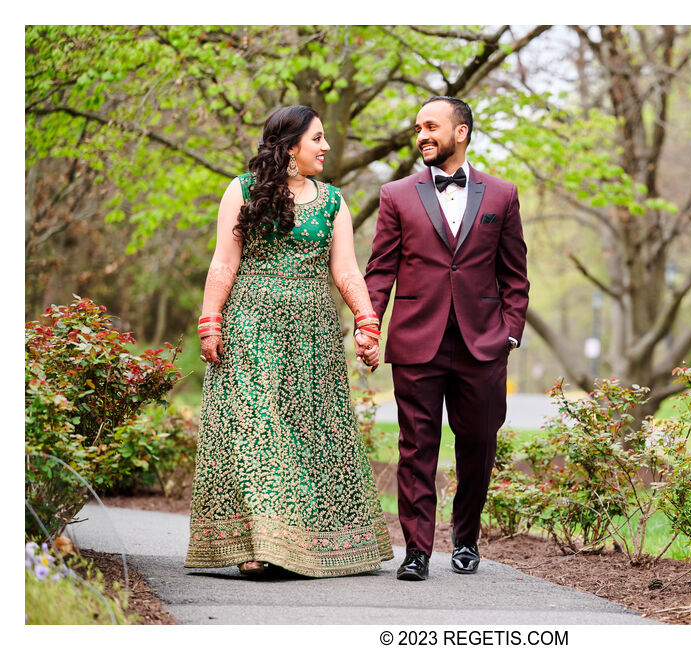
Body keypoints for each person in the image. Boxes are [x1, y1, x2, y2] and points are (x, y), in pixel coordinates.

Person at [184, 105, 393, 577]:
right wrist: (209, 320)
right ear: (290, 145)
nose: (326, 146)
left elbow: (345, 269)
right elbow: (223, 262)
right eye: (317, 138)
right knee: (258, 430)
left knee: (308, 433)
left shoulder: (334, 200)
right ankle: (262, 546)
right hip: (250, 325)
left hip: (313, 333)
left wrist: (366, 319)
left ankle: (307, 543)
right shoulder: (242, 189)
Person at [363, 96, 529, 580]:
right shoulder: (395, 194)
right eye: (418, 128)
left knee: (478, 443)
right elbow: (381, 270)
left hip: (483, 344)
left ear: (461, 132)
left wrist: (509, 336)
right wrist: (369, 324)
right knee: (416, 447)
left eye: (431, 127)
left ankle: (466, 540)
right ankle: (416, 551)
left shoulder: (502, 195)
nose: (422, 136)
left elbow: (515, 276)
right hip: (417, 341)